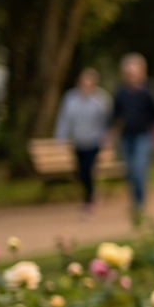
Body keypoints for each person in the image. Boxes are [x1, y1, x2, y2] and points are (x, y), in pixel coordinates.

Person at [54, 68, 111, 215]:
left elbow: (107, 120)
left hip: (94, 141)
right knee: (81, 172)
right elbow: (64, 119)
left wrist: (106, 137)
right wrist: (60, 137)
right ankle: (91, 195)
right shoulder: (70, 98)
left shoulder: (101, 99)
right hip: (78, 142)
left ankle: (89, 200)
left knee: (88, 170)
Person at [110, 53, 154, 219]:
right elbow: (116, 116)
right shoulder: (121, 92)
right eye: (127, 71)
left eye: (133, 71)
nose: (130, 75)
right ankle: (135, 201)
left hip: (143, 136)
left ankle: (140, 203)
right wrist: (111, 135)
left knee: (139, 168)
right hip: (126, 136)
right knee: (129, 171)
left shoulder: (148, 91)